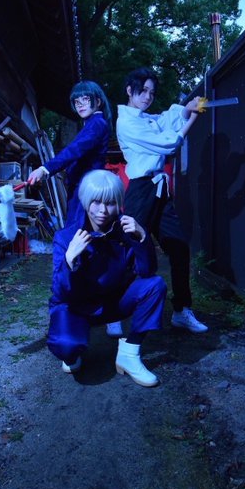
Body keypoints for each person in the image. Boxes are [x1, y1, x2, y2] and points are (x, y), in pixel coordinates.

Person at [47, 169, 167, 387]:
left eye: (110, 203)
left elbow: (147, 272)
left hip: (113, 304)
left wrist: (142, 238)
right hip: (77, 307)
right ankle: (72, 351)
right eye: (96, 202)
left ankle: (129, 354)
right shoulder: (66, 237)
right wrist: (69, 260)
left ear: (119, 203)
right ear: (86, 201)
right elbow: (60, 293)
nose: (103, 210)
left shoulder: (126, 231)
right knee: (66, 346)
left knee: (155, 285)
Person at [116, 66, 208, 333]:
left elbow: (167, 119)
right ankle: (114, 311)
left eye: (152, 92)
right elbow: (168, 143)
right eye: (143, 91)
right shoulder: (127, 122)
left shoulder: (147, 118)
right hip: (140, 191)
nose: (148, 97)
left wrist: (187, 107)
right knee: (129, 252)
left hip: (160, 190)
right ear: (129, 91)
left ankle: (181, 310)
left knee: (179, 247)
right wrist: (193, 118)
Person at [28, 80, 122, 337]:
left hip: (89, 197)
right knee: (81, 247)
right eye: (76, 101)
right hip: (80, 195)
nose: (80, 104)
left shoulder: (97, 124)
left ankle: (108, 312)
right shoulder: (90, 124)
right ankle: (79, 304)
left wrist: (46, 168)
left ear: (97, 101)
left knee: (93, 246)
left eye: (85, 99)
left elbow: (74, 150)